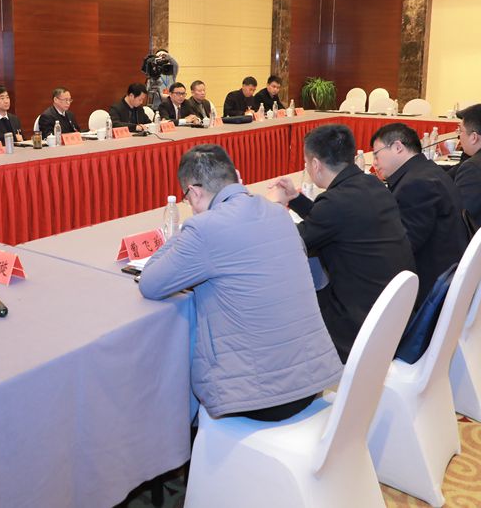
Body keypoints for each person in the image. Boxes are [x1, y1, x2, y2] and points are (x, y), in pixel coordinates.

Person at [139, 145, 342, 420]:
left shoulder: (204, 228)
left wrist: (186, 230)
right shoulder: (278, 213)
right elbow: (316, 278)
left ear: (194, 192)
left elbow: (150, 283)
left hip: (259, 398)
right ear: (234, 175)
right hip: (312, 382)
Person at [268, 124, 415, 362]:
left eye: (306, 163)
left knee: (286, 309)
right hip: (394, 312)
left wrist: (273, 206)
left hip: (358, 323)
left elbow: (287, 242)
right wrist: (295, 198)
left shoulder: (335, 203)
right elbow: (329, 220)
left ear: (316, 164)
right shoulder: (372, 184)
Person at [370, 124, 470, 309]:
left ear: (398, 147)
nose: (374, 162)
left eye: (376, 154)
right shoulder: (426, 171)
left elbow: (403, 248)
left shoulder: (416, 184)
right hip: (448, 274)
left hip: (431, 289)